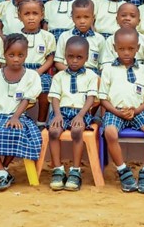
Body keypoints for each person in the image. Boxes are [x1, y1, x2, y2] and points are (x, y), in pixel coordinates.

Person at [0, 34, 43, 192]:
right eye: (11, 55)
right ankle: (1, 171)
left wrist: (15, 117)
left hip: (19, 116)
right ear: (4, 54)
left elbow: (26, 99)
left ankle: (3, 169)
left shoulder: (32, 76)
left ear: (26, 54)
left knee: (16, 132)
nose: (16, 59)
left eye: (20, 55)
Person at [100, 27, 144, 194]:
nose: (126, 52)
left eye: (131, 48)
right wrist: (117, 112)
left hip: (138, 111)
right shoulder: (108, 70)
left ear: (138, 48)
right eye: (121, 48)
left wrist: (137, 110)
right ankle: (123, 170)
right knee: (110, 132)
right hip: (115, 111)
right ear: (114, 48)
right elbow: (103, 98)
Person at [47, 36, 99, 191]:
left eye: (79, 57)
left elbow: (91, 98)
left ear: (86, 58)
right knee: (53, 131)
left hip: (81, 112)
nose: (74, 61)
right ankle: (58, 170)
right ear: (65, 56)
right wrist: (57, 115)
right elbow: (55, 98)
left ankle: (75, 171)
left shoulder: (91, 76)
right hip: (61, 112)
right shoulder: (59, 77)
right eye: (70, 56)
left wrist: (81, 115)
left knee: (77, 131)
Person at [18, 0, 56, 128]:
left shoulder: (48, 36)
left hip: (40, 71)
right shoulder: (15, 36)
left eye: (35, 13)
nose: (31, 18)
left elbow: (50, 59)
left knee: (46, 86)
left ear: (42, 15)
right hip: (19, 70)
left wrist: (38, 72)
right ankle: (18, 117)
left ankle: (41, 122)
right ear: (19, 16)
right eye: (26, 14)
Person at [55, 0, 105, 75]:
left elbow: (102, 65)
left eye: (86, 17)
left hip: (91, 76)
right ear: (72, 17)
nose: (82, 21)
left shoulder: (99, 39)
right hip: (68, 73)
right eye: (78, 17)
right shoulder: (64, 36)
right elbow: (58, 63)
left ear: (93, 18)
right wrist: (73, 73)